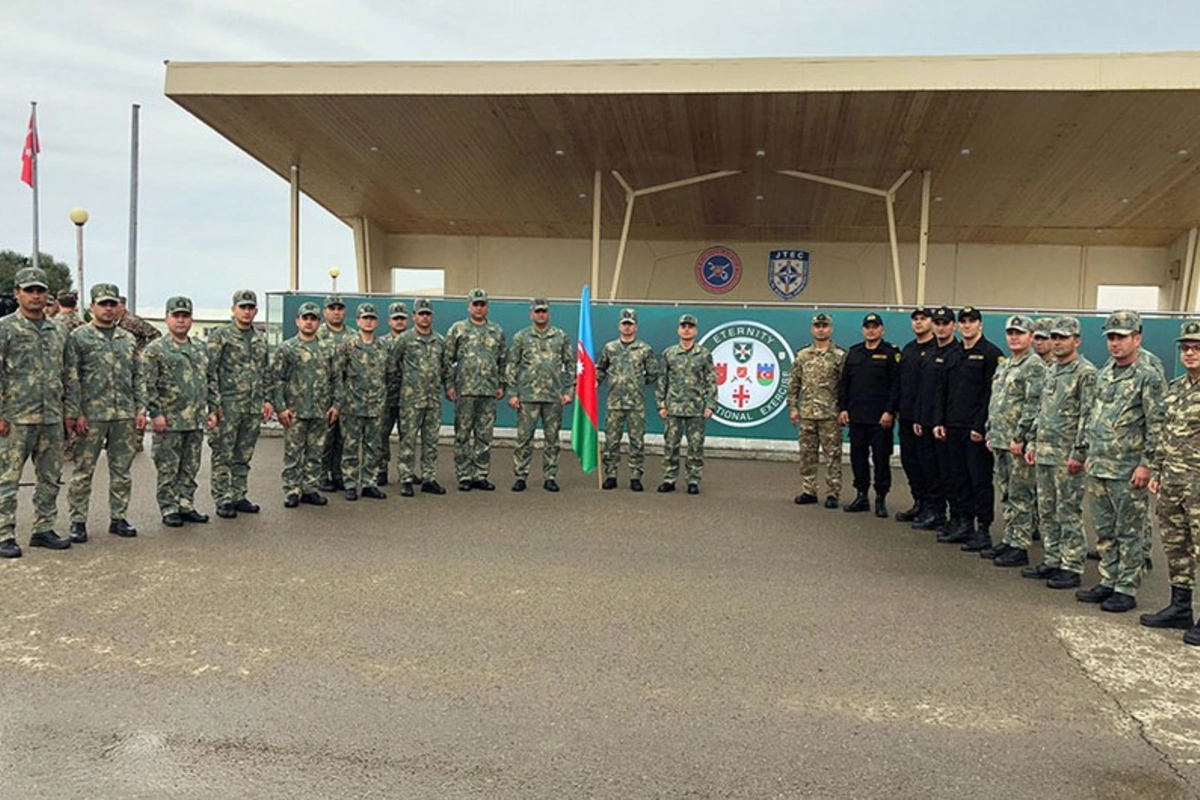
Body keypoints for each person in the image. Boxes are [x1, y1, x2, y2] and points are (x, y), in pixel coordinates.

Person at [1076, 310, 1167, 613]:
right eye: (1111, 337)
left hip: (1128, 469)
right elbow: (1092, 416)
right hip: (1100, 464)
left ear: (1137, 338)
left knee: (1129, 530)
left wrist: (1146, 464)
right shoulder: (1105, 374)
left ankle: (1126, 587)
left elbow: (1157, 424)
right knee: (1104, 529)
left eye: (1121, 337)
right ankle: (1108, 579)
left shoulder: (1148, 376)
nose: (1115, 343)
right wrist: (1086, 452)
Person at [0, 267, 77, 558]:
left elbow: (70, 373)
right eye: (29, 290)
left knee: (50, 477)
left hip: (52, 417)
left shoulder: (59, 329)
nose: (35, 295)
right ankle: (4, 532)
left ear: (48, 295)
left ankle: (43, 529)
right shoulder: (5, 328)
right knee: (7, 478)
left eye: (40, 290)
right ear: (17, 293)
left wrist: (70, 411)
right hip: (15, 418)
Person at [65, 282, 144, 541]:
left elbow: (137, 376)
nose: (108, 309)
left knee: (121, 471)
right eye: (103, 304)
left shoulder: (128, 339)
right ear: (91, 307)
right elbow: (72, 378)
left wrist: (139, 409)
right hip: (92, 415)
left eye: (112, 304)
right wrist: (76, 412)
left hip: (123, 414)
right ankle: (78, 521)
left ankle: (118, 518)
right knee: (83, 470)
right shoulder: (79, 337)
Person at [1022, 316, 1096, 588]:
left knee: (1068, 511)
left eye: (1063, 337)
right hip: (1044, 452)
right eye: (1054, 337)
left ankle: (1071, 565)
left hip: (1067, 457)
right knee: (1047, 510)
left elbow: (1088, 416)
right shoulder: (1051, 369)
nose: (1057, 342)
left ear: (1076, 340)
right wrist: (1032, 442)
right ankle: (1052, 559)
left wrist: (1080, 453)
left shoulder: (1085, 373)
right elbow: (1041, 411)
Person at [1143, 320, 1200, 644]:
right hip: (1173, 482)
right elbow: (1165, 434)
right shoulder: (1177, 387)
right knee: (1176, 547)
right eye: (1186, 348)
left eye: (1196, 348)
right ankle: (1180, 607)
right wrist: (1157, 470)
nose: (1190, 353)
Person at [143, 296, 217, 528]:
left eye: (185, 316)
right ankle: (169, 508)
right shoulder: (156, 350)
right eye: (176, 316)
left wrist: (212, 409)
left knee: (190, 466)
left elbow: (210, 380)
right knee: (168, 467)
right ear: (167, 318)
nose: (181, 321)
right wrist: (155, 413)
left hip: (194, 419)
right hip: (170, 420)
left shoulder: (200, 349)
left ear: (191, 319)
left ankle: (186, 504)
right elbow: (148, 384)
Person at [933, 306, 1003, 548]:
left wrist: (981, 426)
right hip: (952, 427)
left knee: (979, 480)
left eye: (971, 321)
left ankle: (982, 530)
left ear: (980, 325)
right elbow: (942, 390)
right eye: (963, 321)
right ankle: (964, 523)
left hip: (975, 430)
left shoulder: (991, 354)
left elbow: (992, 395)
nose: (966, 325)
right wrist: (939, 421)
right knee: (958, 477)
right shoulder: (953, 354)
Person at [980, 315, 1045, 565]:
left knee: (1021, 494)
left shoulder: (1034, 366)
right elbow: (996, 402)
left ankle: (1020, 546)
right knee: (1006, 492)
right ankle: (1009, 538)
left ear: (1030, 336)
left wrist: (1022, 437)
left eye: (1020, 332)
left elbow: (1033, 405)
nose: (1014, 337)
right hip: (999, 439)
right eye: (1010, 333)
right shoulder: (1004, 365)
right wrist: (990, 431)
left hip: (1017, 443)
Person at [207, 289, 272, 519]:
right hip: (229, 405)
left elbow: (265, 372)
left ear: (255, 310)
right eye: (242, 307)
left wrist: (266, 400)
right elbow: (210, 371)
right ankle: (223, 498)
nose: (246, 312)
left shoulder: (259, 339)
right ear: (233, 309)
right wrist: (214, 404)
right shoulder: (220, 336)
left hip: (252, 407)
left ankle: (238, 494)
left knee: (243, 454)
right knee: (223, 453)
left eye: (250, 308)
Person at [272, 302, 342, 508]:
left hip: (320, 410)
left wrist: (337, 404)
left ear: (319, 322)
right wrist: (280, 407)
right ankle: (292, 490)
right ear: (298, 321)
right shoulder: (287, 348)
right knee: (293, 453)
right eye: (305, 318)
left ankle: (310, 488)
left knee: (315, 452)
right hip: (295, 411)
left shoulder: (328, 348)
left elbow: (336, 378)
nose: (309, 322)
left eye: (313, 318)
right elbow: (277, 379)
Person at [507, 298, 574, 492]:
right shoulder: (522, 337)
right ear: (531, 314)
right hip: (528, 397)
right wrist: (513, 393)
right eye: (537, 311)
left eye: (544, 311)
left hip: (553, 397)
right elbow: (512, 365)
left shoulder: (560, 336)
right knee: (524, 439)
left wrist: (568, 391)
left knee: (552, 440)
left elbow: (570, 364)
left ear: (549, 313)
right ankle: (520, 476)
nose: (541, 314)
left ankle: (550, 476)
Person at [836, 312, 899, 517]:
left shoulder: (890, 353)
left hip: (880, 419)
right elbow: (844, 384)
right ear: (863, 330)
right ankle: (861, 495)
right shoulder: (854, 353)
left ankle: (881, 499)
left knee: (881, 459)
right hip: (857, 417)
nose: (871, 330)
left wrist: (890, 411)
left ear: (882, 329)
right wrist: (843, 409)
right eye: (868, 327)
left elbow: (895, 386)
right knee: (858, 458)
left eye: (875, 326)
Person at [444, 288, 506, 492]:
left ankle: (480, 474)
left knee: (484, 435)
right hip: (465, 390)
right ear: (468, 306)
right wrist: (450, 385)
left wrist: (501, 384)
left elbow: (503, 360)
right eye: (475, 304)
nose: (479, 308)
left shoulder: (496, 330)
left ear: (487, 307)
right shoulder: (458, 329)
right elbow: (447, 360)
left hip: (488, 391)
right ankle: (464, 475)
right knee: (462, 434)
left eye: (482, 304)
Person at [597, 307, 660, 492]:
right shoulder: (610, 348)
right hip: (614, 402)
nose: (627, 327)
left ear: (636, 327)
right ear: (619, 326)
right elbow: (601, 369)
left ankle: (635, 476)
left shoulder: (645, 349)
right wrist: (595, 382)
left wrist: (637, 385)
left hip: (636, 403)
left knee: (637, 441)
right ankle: (611, 475)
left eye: (630, 324)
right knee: (611, 441)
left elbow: (653, 374)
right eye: (624, 324)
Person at [392, 298, 449, 497]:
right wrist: (406, 385)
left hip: (433, 400)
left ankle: (429, 478)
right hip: (411, 401)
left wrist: (448, 387)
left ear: (431, 316)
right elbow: (393, 366)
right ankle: (406, 478)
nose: (424, 317)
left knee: (431, 440)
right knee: (408, 439)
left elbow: (446, 368)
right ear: (414, 316)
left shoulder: (440, 340)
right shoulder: (405, 339)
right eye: (421, 313)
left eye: (427, 314)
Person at [789, 313, 846, 507]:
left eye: (824, 325)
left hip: (830, 415)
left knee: (832, 456)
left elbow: (845, 386)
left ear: (830, 328)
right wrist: (792, 408)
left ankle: (833, 493)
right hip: (806, 414)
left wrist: (843, 410)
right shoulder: (803, 355)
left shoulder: (839, 356)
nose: (821, 329)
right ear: (812, 329)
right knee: (807, 454)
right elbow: (794, 383)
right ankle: (809, 490)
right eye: (817, 326)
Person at [656, 313, 716, 494]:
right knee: (670, 446)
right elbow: (662, 380)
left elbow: (711, 380)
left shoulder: (704, 354)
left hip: (696, 409)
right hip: (673, 408)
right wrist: (660, 404)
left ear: (696, 331)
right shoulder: (669, 353)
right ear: (678, 330)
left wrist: (710, 404)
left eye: (690, 326)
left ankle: (693, 480)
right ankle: (669, 479)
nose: (687, 329)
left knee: (695, 447)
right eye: (684, 326)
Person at [911, 306, 957, 531]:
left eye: (944, 323)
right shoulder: (928, 354)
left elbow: (950, 394)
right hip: (926, 421)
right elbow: (923, 390)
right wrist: (919, 417)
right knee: (929, 469)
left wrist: (942, 421)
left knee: (947, 472)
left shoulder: (957, 353)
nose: (940, 327)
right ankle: (934, 511)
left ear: (952, 326)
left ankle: (953, 517)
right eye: (938, 323)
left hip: (946, 425)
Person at [339, 303, 389, 501]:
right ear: (358, 321)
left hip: (376, 406)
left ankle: (369, 483)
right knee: (350, 447)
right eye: (365, 318)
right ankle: (350, 484)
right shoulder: (348, 345)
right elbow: (339, 373)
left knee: (373, 447)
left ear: (376, 321)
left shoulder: (384, 346)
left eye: (372, 318)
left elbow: (390, 373)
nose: (368, 321)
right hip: (352, 405)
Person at [894, 307, 935, 522]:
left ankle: (932, 507)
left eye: (923, 319)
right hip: (907, 416)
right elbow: (900, 382)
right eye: (915, 319)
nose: (919, 323)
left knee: (928, 464)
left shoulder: (937, 348)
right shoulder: (908, 349)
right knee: (910, 462)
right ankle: (918, 502)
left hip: (927, 419)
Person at [117, 295, 162, 453]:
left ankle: (137, 440)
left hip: (137, 365)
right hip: (122, 366)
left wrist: (143, 352)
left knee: (138, 401)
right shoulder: (115, 323)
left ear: (123, 306)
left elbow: (155, 334)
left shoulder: (131, 321)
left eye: (116, 304)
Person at [318, 294, 353, 492]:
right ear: (325, 312)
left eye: (339, 308)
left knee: (343, 438)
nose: (336, 312)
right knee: (324, 438)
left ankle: (338, 474)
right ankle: (321, 476)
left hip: (347, 395)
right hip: (324, 395)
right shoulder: (318, 333)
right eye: (332, 308)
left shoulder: (353, 336)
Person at [377, 301, 409, 486]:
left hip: (408, 398)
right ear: (389, 321)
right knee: (381, 435)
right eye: (396, 318)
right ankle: (381, 470)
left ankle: (407, 472)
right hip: (386, 397)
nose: (399, 322)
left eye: (402, 318)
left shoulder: (413, 340)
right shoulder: (381, 343)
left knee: (408, 437)